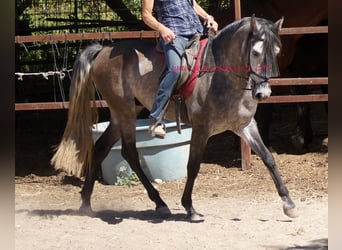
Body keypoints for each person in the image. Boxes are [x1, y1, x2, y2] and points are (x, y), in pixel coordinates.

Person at [142, 0, 218, 138]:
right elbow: (146, 15)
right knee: (175, 70)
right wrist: (162, 29)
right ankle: (155, 119)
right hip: (174, 36)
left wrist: (208, 17)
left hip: (197, 33)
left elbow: (193, 5)